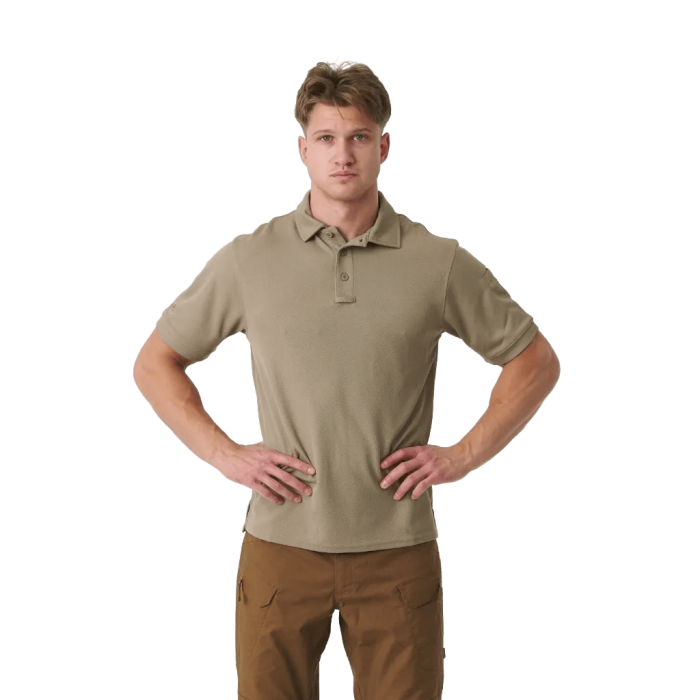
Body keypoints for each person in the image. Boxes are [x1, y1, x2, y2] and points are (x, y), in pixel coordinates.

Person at [133, 60, 560, 700]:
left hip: (398, 552)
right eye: (326, 138)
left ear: (383, 147)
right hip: (280, 546)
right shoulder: (250, 260)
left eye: (359, 136)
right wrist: (224, 454)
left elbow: (534, 360)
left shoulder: (436, 262)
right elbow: (155, 362)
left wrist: (462, 456)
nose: (343, 154)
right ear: (302, 149)